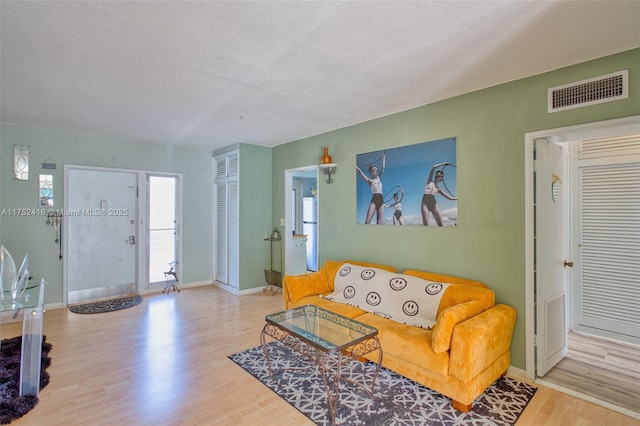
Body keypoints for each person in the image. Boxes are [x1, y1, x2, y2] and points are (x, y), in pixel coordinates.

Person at [356, 153, 385, 224]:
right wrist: (354, 165)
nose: (375, 170)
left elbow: (383, 167)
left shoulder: (378, 178)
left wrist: (383, 158)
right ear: (370, 172)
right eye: (373, 170)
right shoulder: (369, 181)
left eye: (375, 169)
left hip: (381, 199)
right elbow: (359, 171)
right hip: (374, 199)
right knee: (367, 222)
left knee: (379, 224)